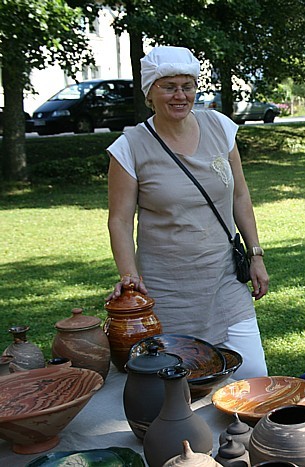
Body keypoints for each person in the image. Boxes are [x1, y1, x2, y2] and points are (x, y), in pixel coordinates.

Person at [106, 46, 269, 379]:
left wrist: (255, 254)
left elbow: (240, 194)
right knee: (184, 392)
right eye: (168, 86)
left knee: (254, 379)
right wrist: (129, 276)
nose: (180, 95)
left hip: (225, 283)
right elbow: (120, 220)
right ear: (150, 92)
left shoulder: (220, 128)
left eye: (187, 86)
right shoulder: (130, 147)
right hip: (168, 292)